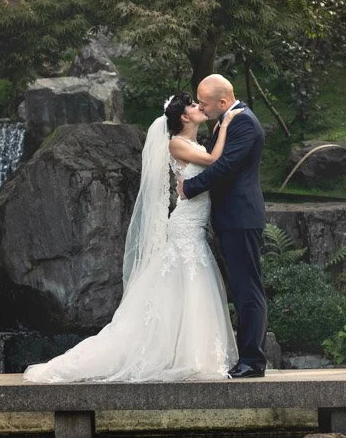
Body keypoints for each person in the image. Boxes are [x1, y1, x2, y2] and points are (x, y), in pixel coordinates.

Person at [22, 93, 241, 383]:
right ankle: (185, 356)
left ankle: (191, 354)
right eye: (192, 106)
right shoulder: (177, 144)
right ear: (184, 117)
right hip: (185, 225)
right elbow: (214, 160)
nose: (198, 108)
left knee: (188, 288)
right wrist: (226, 125)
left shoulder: (195, 143)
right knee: (189, 281)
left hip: (195, 224)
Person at [177, 74, 268, 379]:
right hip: (230, 219)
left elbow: (225, 166)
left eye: (203, 102)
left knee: (247, 290)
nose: (200, 107)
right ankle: (245, 358)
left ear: (223, 101)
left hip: (241, 218)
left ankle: (253, 362)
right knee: (241, 290)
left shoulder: (243, 123)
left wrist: (189, 188)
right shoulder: (224, 121)